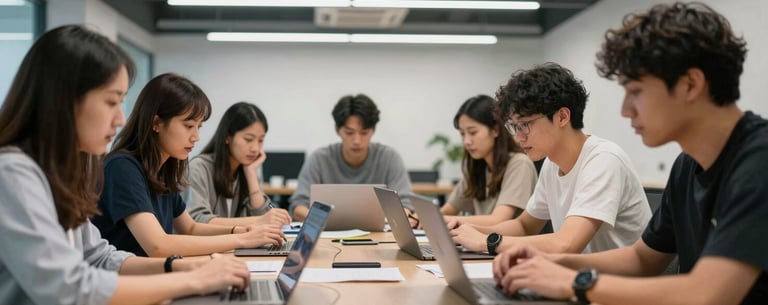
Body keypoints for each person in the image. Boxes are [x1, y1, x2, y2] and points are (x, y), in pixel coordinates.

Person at [492, 3, 768, 305]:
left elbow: (707, 294)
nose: (626, 110)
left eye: (636, 91)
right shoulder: (687, 166)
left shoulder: (759, 161)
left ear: (691, 84)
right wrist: (551, 264)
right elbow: (642, 259)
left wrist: (574, 282)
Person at [0, 25, 251, 305]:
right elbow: (67, 287)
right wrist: (191, 279)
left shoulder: (61, 174)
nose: (120, 118)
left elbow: (98, 256)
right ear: (64, 99)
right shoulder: (13, 174)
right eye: (111, 102)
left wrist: (179, 266)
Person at [449, 63, 651, 256]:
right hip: (580, 276)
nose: (519, 138)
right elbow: (524, 225)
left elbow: (566, 243)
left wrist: (487, 242)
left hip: (623, 285)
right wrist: (469, 229)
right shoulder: (551, 164)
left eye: (524, 125)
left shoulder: (603, 160)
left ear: (562, 117)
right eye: (515, 127)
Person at [93, 73, 285, 257]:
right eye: (188, 126)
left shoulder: (163, 169)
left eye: (198, 126)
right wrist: (241, 239)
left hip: (154, 277)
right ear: (157, 123)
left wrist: (238, 230)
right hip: (128, 284)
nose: (196, 137)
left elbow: (190, 227)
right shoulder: (122, 167)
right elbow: (158, 246)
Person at [289, 94, 414, 224]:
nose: (357, 141)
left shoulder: (389, 158)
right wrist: (328, 221)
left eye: (364, 132)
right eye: (349, 133)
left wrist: (389, 220)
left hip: (380, 237)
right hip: (327, 236)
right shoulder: (319, 159)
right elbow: (298, 206)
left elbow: (406, 204)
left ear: (373, 131)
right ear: (338, 130)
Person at [183, 102, 291, 227]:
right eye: (248, 139)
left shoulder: (246, 169)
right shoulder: (199, 168)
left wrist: (251, 173)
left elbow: (265, 219)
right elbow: (197, 220)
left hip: (236, 245)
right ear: (228, 137)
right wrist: (258, 221)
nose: (255, 148)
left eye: (261, 140)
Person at [440, 94, 537, 226]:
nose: (467, 141)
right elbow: (447, 211)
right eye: (462, 134)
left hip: (510, 244)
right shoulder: (478, 165)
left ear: (495, 130)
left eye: (473, 132)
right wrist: (419, 218)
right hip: (479, 244)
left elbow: (499, 220)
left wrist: (448, 220)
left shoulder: (519, 163)